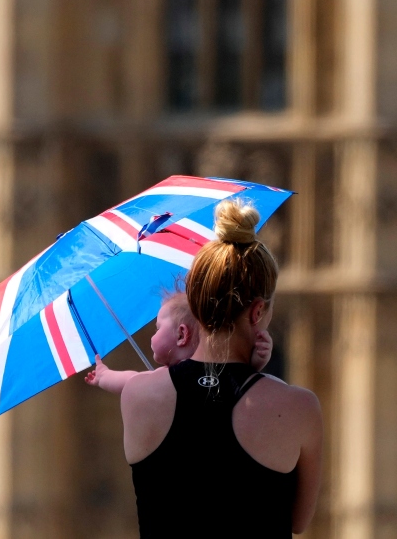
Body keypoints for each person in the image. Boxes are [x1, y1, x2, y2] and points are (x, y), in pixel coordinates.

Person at [121, 199, 323, 538]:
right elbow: (297, 521)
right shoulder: (299, 408)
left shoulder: (137, 394)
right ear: (258, 311)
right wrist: (259, 376)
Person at [84, 291, 274, 394]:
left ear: (182, 335)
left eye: (158, 328)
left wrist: (104, 376)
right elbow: (240, 381)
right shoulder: (216, 368)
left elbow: (131, 381)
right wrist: (255, 362)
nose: (152, 335)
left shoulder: (168, 377)